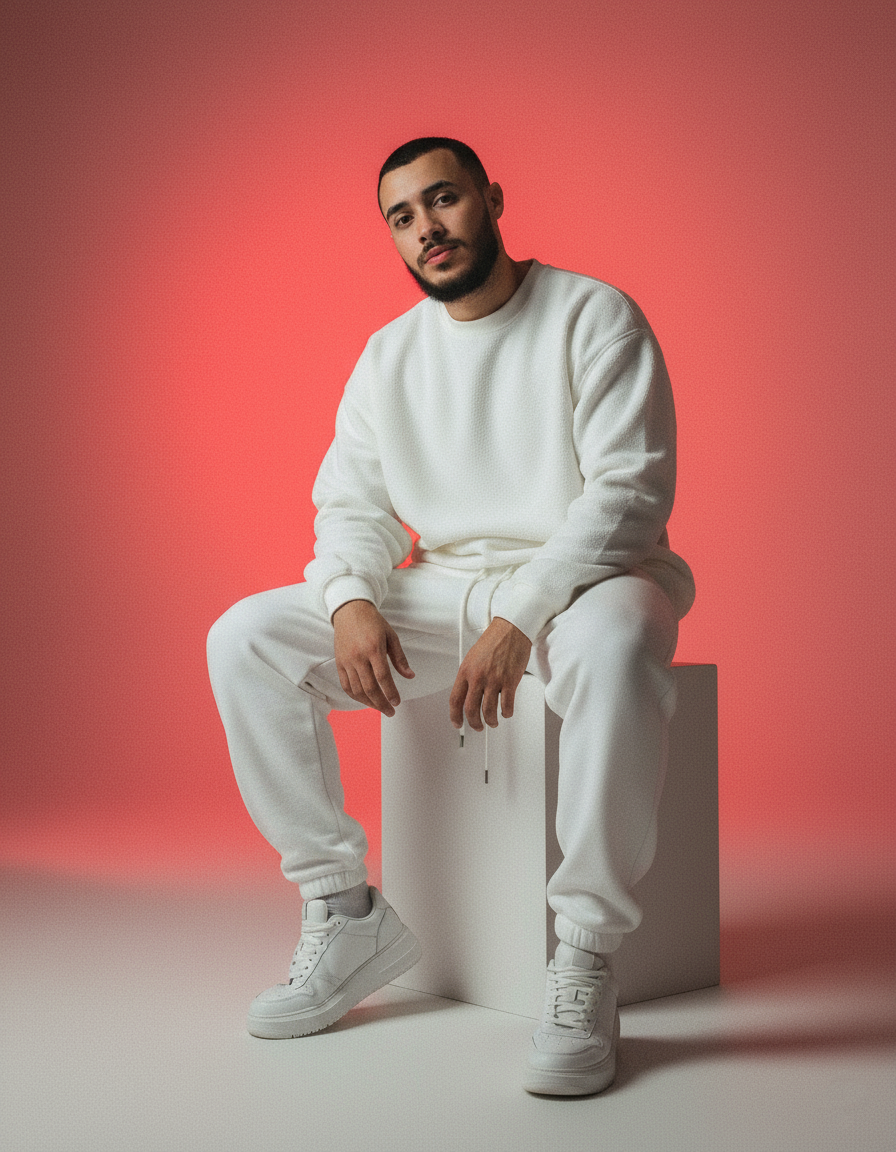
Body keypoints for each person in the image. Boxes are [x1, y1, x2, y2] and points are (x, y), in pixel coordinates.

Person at [207, 136, 695, 1096]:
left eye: (444, 200)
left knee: (622, 639)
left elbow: (628, 494)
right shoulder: (390, 356)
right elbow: (352, 504)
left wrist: (521, 616)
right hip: (444, 587)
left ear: (492, 199)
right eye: (403, 217)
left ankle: (586, 955)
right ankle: (344, 914)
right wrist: (350, 597)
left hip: (590, 579)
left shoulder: (594, 315)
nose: (427, 228)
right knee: (246, 638)